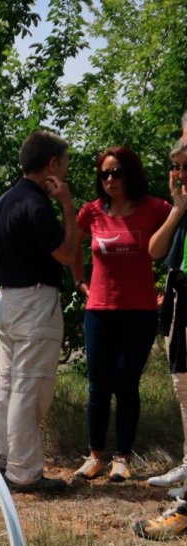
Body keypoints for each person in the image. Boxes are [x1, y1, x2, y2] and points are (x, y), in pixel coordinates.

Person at [69, 147, 173, 482]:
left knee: (126, 384)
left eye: (117, 172)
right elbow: (72, 244)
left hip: (140, 312)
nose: (110, 179)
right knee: (98, 386)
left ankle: (123, 458)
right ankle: (95, 456)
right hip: (99, 310)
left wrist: (166, 286)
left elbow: (176, 231)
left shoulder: (154, 208)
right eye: (104, 174)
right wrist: (79, 280)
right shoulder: (92, 211)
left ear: (131, 174)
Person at [0, 130, 79, 493]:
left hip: (7, 301)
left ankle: (0, 460)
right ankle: (24, 472)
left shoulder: (7, 199)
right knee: (30, 388)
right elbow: (68, 254)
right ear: (53, 164)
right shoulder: (37, 205)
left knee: (8, 385)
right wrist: (69, 208)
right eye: (66, 163)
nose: (67, 170)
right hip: (35, 301)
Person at [144, 139, 187, 491]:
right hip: (180, 295)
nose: (181, 174)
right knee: (182, 384)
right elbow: (155, 250)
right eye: (178, 167)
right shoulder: (183, 208)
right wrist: (177, 208)